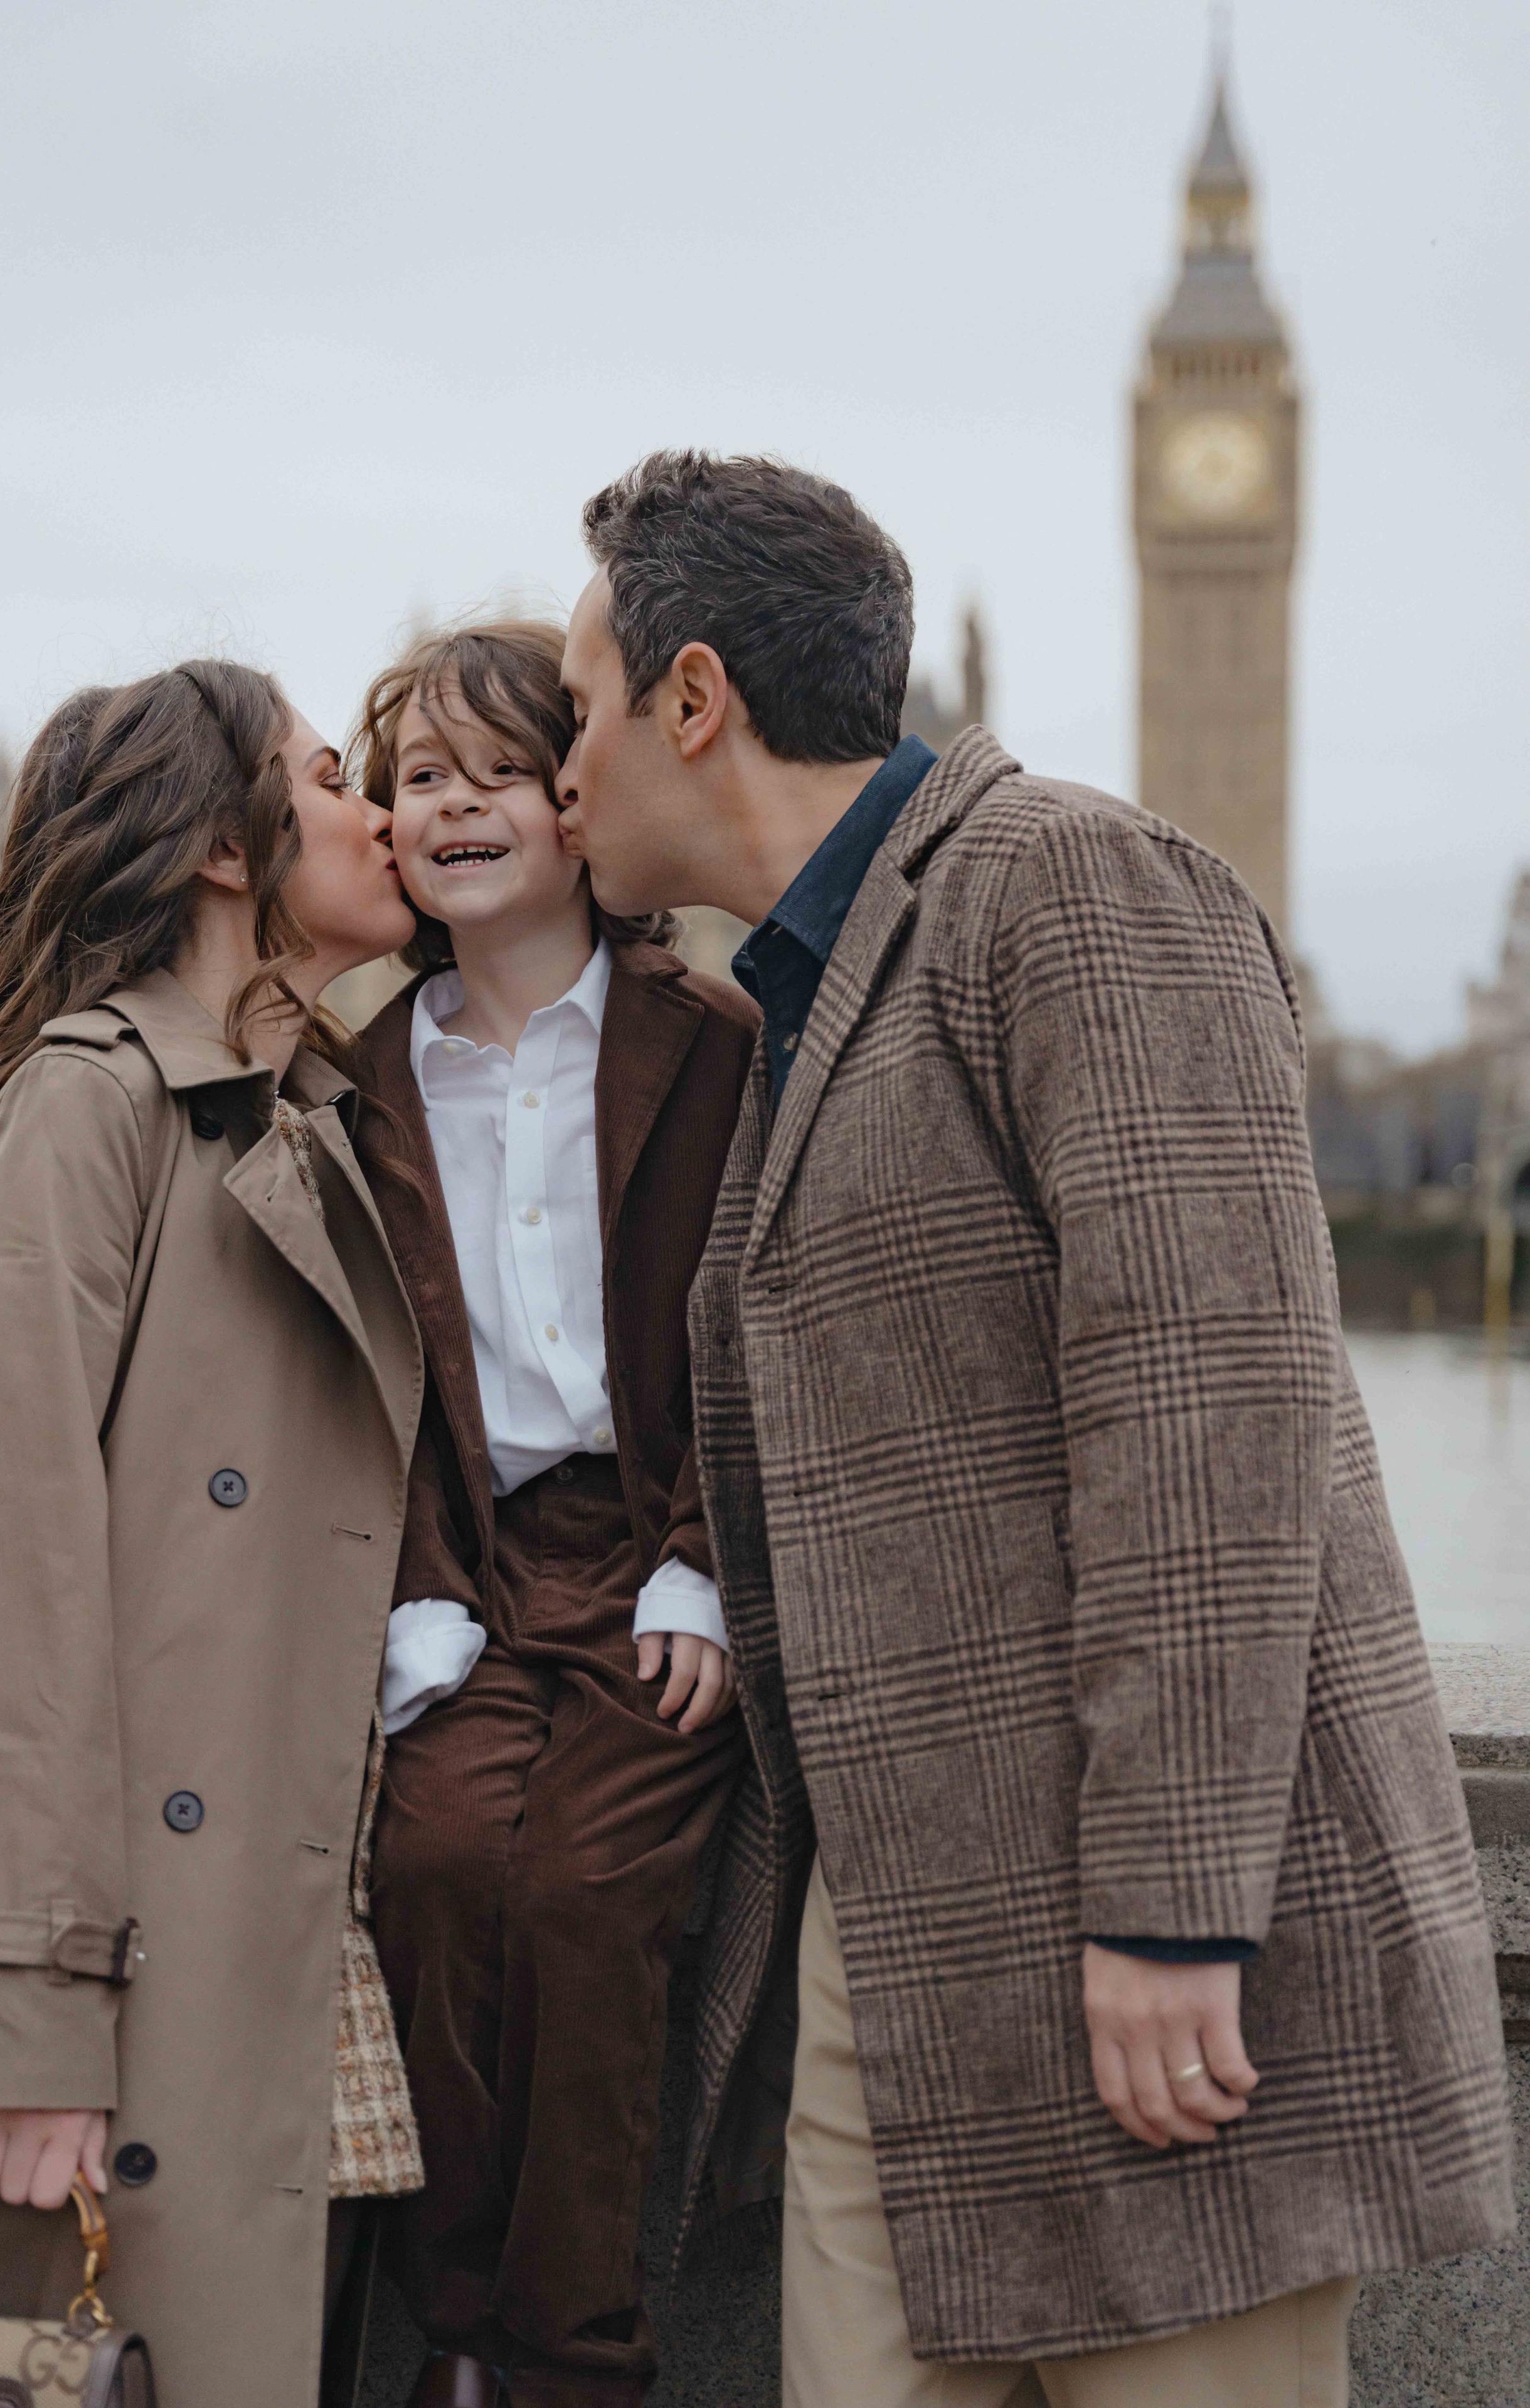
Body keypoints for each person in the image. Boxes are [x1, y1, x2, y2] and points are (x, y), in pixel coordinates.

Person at [553, 452, 1514, 2408]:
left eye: (577, 708)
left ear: (693, 698)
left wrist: (1171, 1909)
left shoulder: (1073, 883)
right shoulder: (801, 995)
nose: (559, 766)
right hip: (891, 1966)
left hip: (1138, 1956)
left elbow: (1208, 1409)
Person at [0, 662, 425, 2408]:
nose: (384, 810)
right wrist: (19, 2028)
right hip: (109, 2011)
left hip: (279, 1977)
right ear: (227, 847)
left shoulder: (306, 1119)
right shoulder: (89, 1111)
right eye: (336, 776)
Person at [346, 620, 758, 2408]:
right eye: (417, 779)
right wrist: (420, 1591)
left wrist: (708, 1570)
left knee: (591, 1900)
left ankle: (574, 2359)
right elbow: (374, 1379)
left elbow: (761, 1328)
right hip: (472, 1562)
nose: (456, 807)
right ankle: (453, 2336)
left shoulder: (713, 1038)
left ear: (574, 802)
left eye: (496, 771)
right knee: (432, 1868)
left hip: (652, 1547)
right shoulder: (358, 1081)